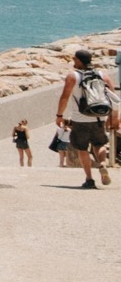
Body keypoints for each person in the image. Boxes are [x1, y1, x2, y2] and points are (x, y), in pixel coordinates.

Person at [54, 48, 115, 189]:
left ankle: (89, 179)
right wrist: (113, 116)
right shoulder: (102, 74)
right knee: (99, 144)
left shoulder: (73, 76)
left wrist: (59, 115)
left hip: (80, 118)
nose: (73, 61)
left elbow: (65, 97)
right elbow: (113, 96)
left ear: (79, 60)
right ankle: (103, 164)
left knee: (82, 148)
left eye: (75, 59)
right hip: (99, 117)